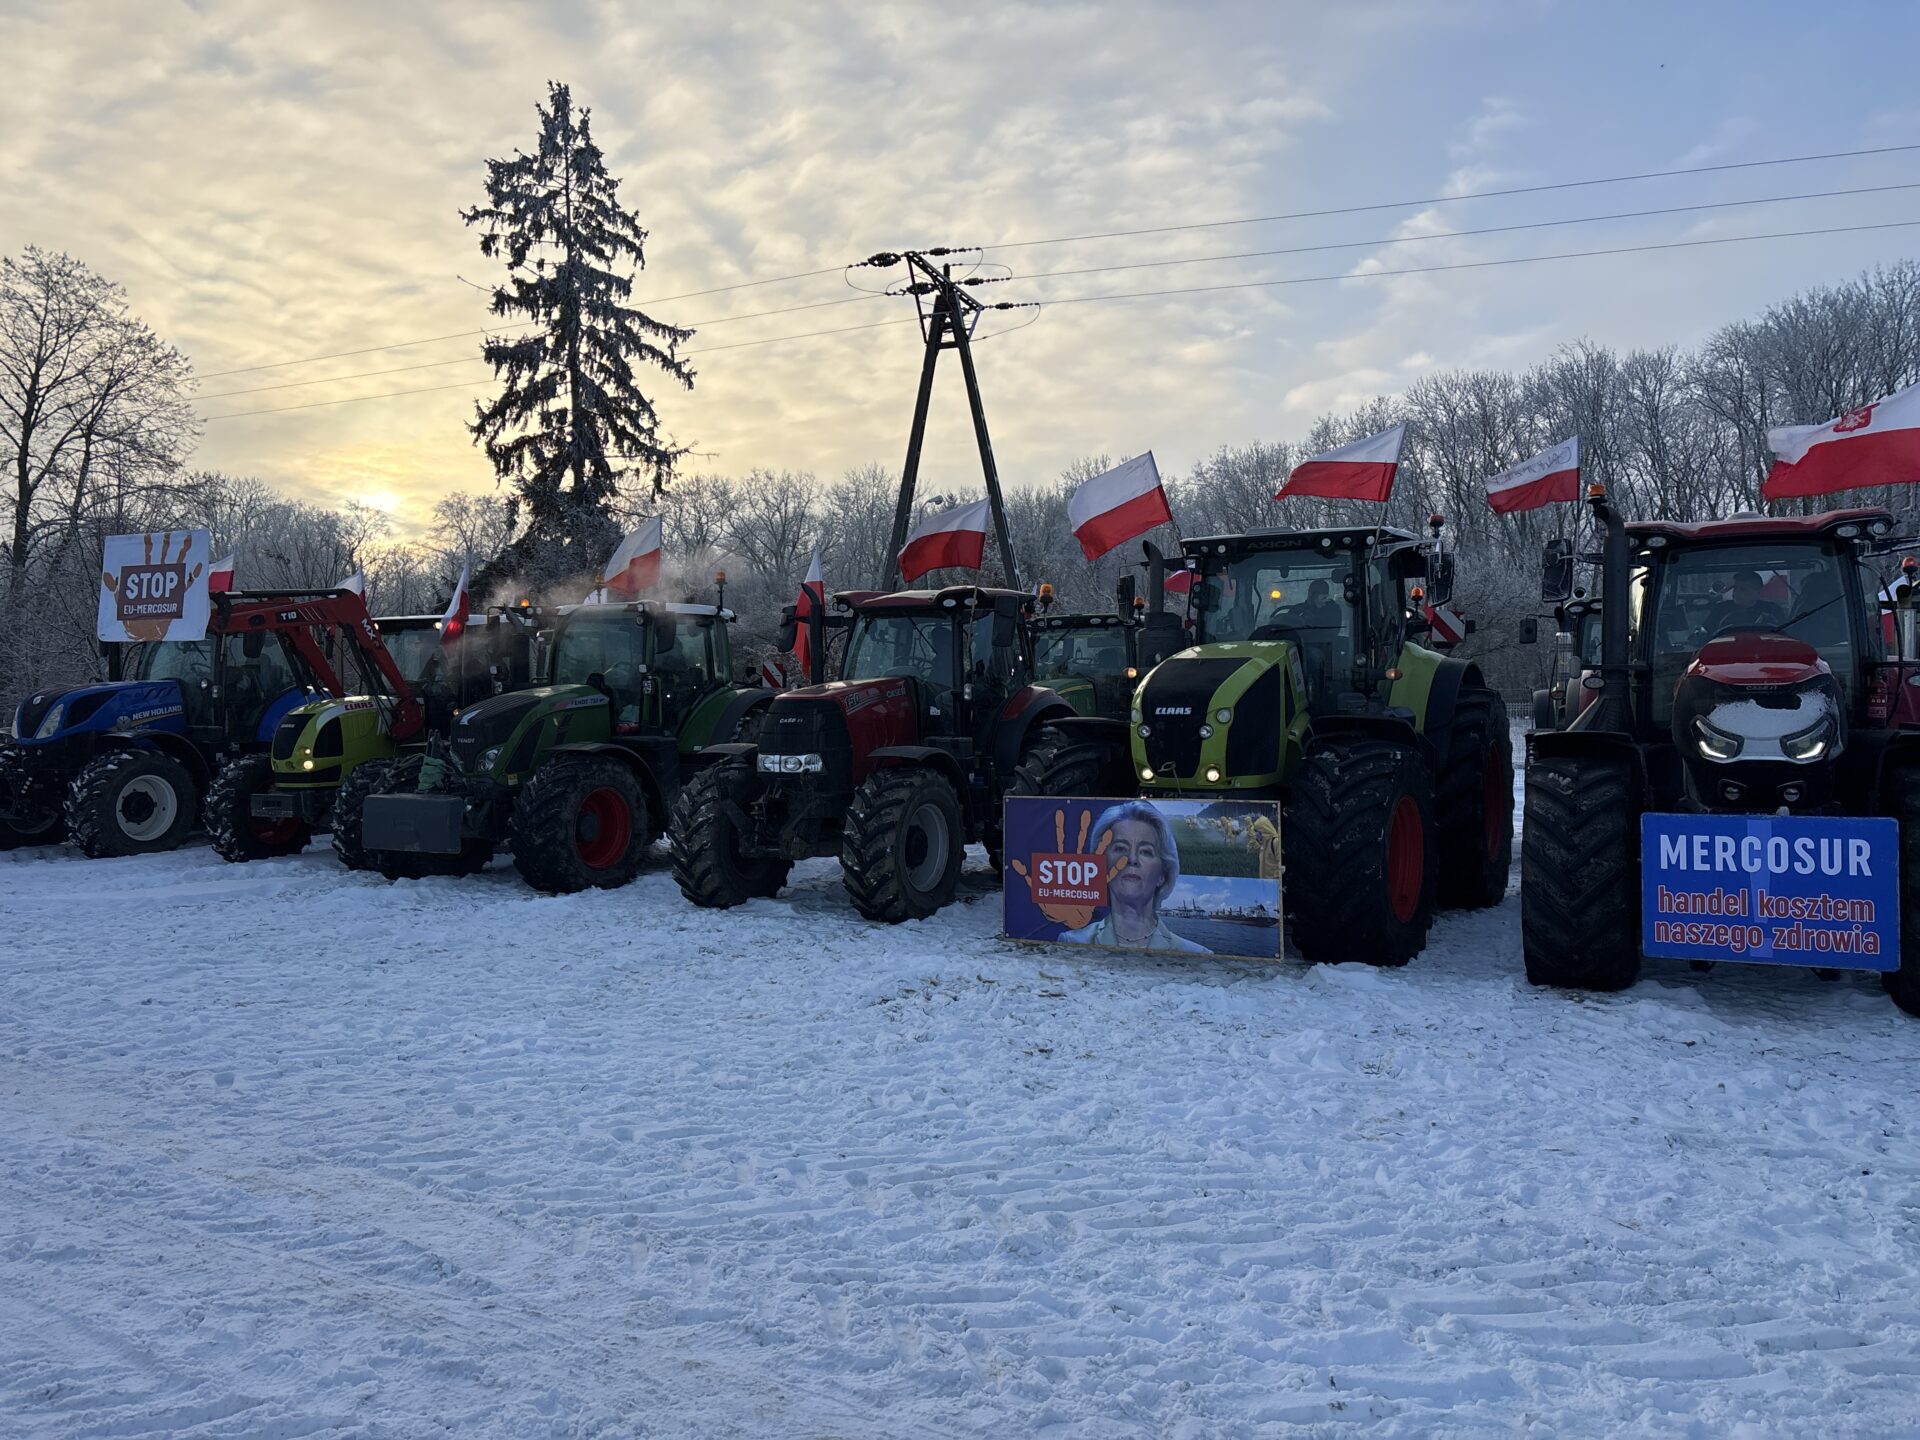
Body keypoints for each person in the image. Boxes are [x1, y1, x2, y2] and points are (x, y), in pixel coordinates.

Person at [1059, 800, 1211, 954]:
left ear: (1162, 875)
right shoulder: (1072, 943)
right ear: (1100, 866)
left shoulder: (1197, 953)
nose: (1132, 859)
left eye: (1146, 851)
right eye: (1120, 848)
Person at [1707, 570, 1780, 634]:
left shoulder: (1772, 610)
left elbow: (1785, 634)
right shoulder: (1720, 609)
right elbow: (1706, 635)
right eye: (1735, 588)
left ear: (1758, 592)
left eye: (1743, 589)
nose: (1736, 593)